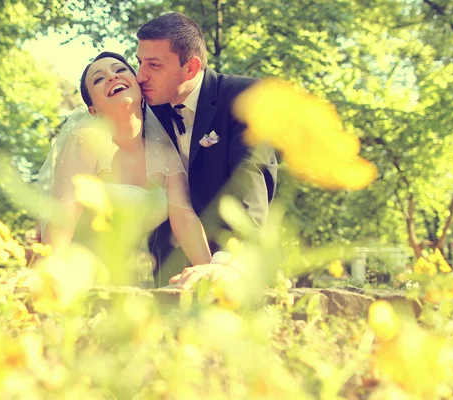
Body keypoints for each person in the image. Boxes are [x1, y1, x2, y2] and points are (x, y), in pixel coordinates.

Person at [36, 52, 212, 286]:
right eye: (99, 79)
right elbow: (63, 216)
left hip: (135, 280)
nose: (111, 77)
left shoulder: (166, 156)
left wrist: (211, 273)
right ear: (93, 110)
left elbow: (184, 219)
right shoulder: (85, 142)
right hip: (78, 273)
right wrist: (46, 278)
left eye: (119, 70)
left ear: (139, 89)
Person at [136, 13, 278, 287]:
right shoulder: (145, 109)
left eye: (154, 65)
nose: (141, 76)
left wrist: (227, 264)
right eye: (140, 62)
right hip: (167, 273)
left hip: (235, 267)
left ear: (191, 68)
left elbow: (249, 178)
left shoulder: (244, 96)